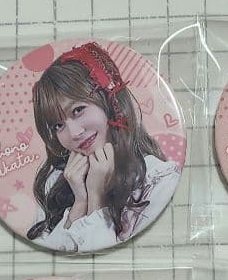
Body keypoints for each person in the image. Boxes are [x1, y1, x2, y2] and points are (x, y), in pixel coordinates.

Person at [27, 43, 180, 252]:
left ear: (110, 100)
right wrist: (80, 202)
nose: (74, 133)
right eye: (58, 125)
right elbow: (48, 261)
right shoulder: (56, 183)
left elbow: (109, 262)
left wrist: (96, 199)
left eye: (78, 110)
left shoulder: (158, 181)